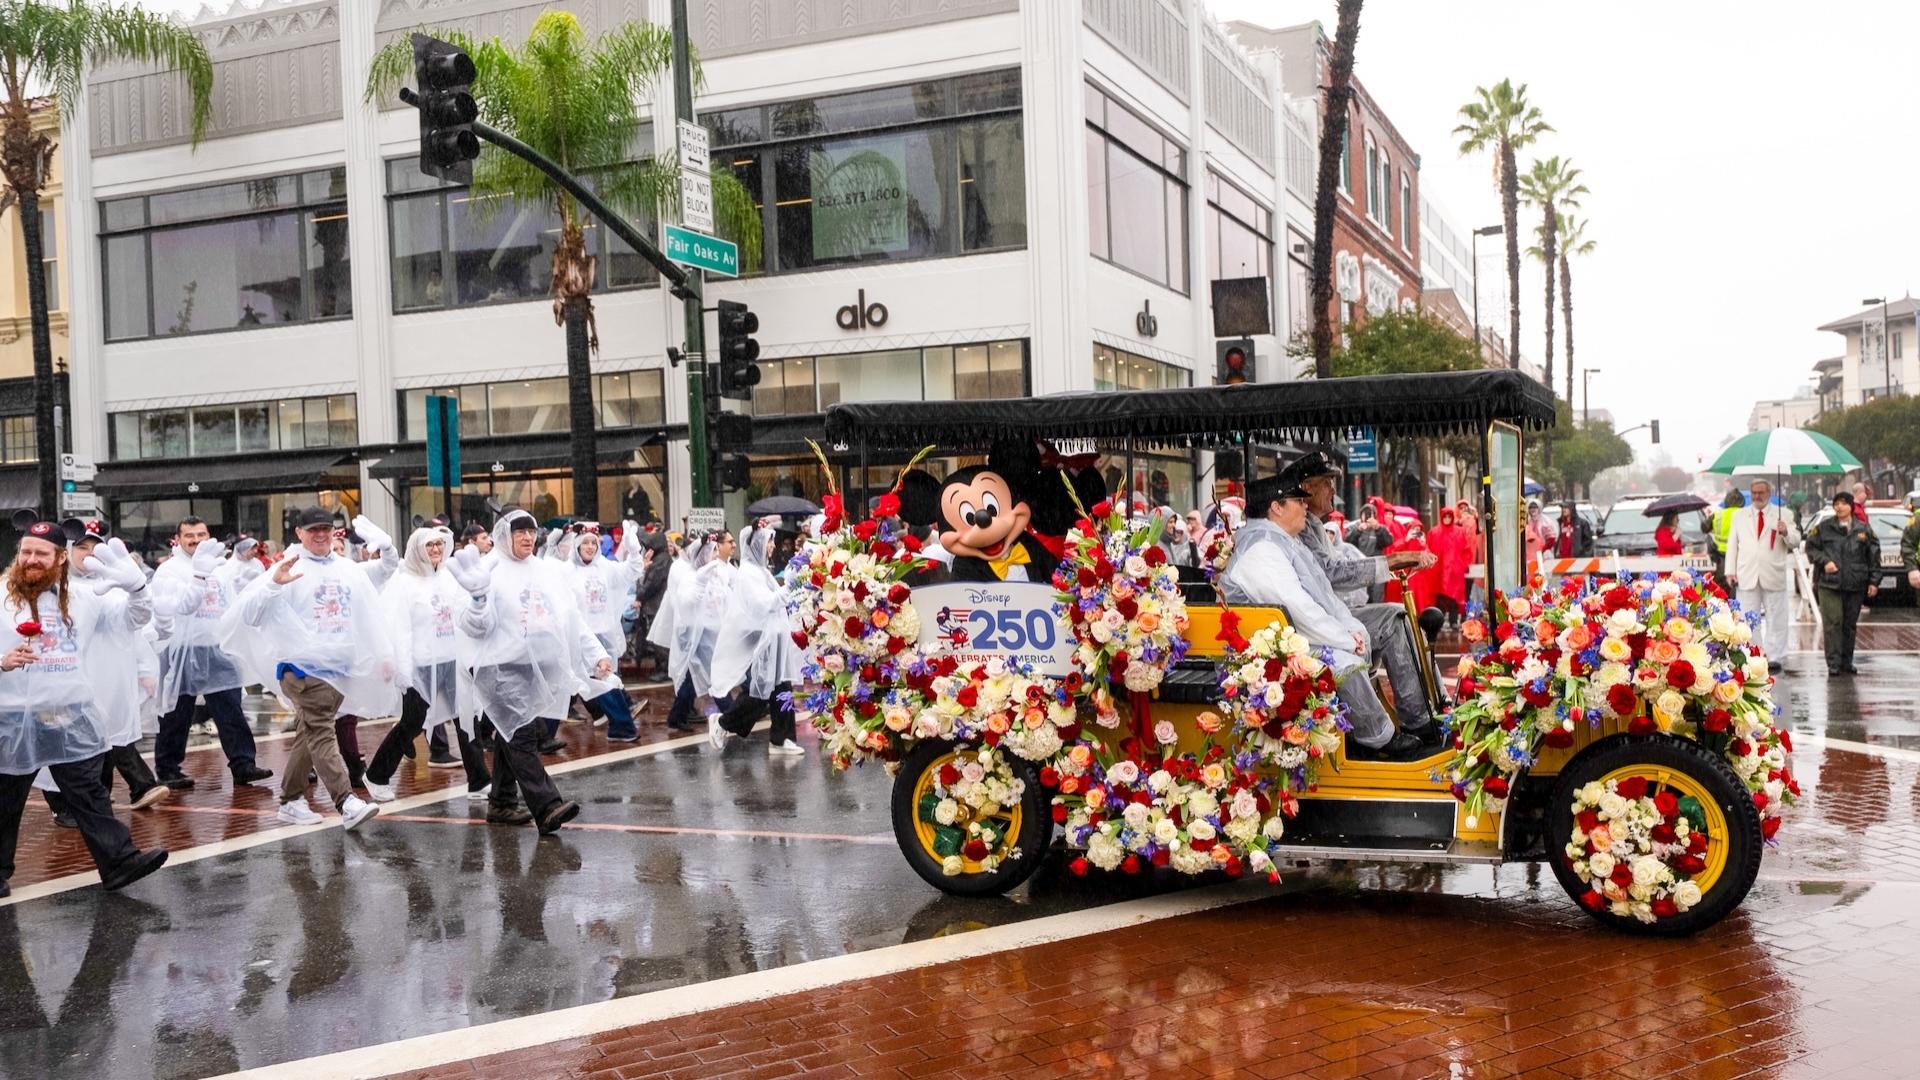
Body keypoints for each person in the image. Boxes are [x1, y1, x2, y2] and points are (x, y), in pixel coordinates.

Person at [0, 518, 169, 898]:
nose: (31, 559)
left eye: (41, 554)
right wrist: (2, 660)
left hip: (68, 714)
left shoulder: (85, 598)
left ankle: (119, 863)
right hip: (11, 718)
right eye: (26, 551)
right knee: (5, 802)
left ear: (60, 558)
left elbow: (133, 621)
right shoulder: (0, 597)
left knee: (89, 795)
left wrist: (138, 589)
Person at [1219, 477, 1425, 762]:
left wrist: (1350, 628)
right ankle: (1377, 739)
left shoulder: (1286, 541)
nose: (1306, 507)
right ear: (1276, 508)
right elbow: (1298, 608)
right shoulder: (1261, 548)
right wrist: (1342, 638)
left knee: (1374, 630)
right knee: (1345, 664)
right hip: (1272, 649)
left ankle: (1416, 718)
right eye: (1298, 501)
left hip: (1295, 636)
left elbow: (1325, 596)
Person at [223, 506, 395, 829]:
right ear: (299, 534)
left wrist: (386, 547)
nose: (320, 535)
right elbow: (249, 615)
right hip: (302, 669)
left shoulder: (346, 568)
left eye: (326, 529)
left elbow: (384, 573)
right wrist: (274, 585)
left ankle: (290, 799)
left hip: (337, 671)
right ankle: (346, 801)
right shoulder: (288, 566)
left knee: (310, 732)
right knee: (321, 732)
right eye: (312, 530)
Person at [446, 510, 602, 833]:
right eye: (519, 532)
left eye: (531, 531)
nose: (527, 538)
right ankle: (547, 806)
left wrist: (597, 654)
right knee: (521, 734)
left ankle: (501, 803)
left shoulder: (543, 571)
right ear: (504, 534)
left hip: (532, 667)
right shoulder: (488, 569)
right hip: (497, 668)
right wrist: (477, 598)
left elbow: (569, 616)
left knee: (509, 732)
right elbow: (475, 626)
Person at [1281, 453, 1442, 742]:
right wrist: (1394, 560)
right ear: (1307, 489)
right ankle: (1418, 720)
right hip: (1310, 625)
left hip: (1329, 613)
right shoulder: (1301, 527)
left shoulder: (1314, 525)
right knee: (1393, 618)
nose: (1333, 491)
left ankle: (1431, 707)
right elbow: (1335, 573)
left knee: (1397, 615)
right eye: (1327, 483)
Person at [33, 521, 170, 825]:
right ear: (66, 552)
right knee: (54, 746)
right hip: (57, 685)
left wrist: (138, 591)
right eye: (81, 547)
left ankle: (96, 810)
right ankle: (62, 806)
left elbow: (133, 623)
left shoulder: (107, 591)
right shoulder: (46, 590)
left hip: (103, 685)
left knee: (102, 748)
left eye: (96, 549)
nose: (89, 554)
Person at [360, 525, 492, 804]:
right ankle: (376, 776)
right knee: (411, 723)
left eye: (439, 545)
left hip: (452, 661)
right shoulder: (405, 582)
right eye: (429, 545)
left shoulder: (450, 579)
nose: (435, 550)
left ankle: (479, 781)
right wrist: (403, 670)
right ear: (417, 549)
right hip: (420, 665)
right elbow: (401, 630)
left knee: (466, 719)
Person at [148, 518, 271, 791]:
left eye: (201, 534)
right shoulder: (169, 570)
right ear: (177, 539)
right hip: (182, 650)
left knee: (230, 708)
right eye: (189, 535)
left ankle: (243, 764)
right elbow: (182, 605)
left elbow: (231, 602)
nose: (196, 539)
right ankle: (168, 768)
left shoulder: (222, 568)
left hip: (218, 648)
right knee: (176, 713)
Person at [708, 521, 805, 755]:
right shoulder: (749, 574)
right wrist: (790, 585)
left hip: (774, 639)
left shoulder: (761, 571)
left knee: (781, 688)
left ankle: (781, 739)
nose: (772, 546)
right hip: (761, 641)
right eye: (769, 541)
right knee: (758, 694)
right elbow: (765, 605)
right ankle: (723, 723)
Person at [559, 520, 650, 743]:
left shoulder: (605, 567)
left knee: (603, 679)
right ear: (577, 545)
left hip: (604, 636)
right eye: (585, 543)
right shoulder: (566, 572)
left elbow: (633, 571)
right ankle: (619, 723)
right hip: (579, 638)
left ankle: (619, 725)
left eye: (593, 542)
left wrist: (634, 549)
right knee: (575, 683)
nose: (590, 547)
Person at [649, 530, 735, 733]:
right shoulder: (690, 577)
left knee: (692, 680)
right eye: (712, 552)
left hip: (713, 636)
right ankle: (732, 717)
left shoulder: (716, 576)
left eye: (715, 552)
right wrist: (699, 584)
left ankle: (677, 715)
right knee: (714, 678)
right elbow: (686, 603)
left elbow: (727, 603)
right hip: (696, 638)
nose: (715, 556)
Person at [1725, 478, 1801, 673]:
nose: (1757, 496)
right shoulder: (1740, 516)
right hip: (1746, 573)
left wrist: (1785, 532)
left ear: (1769, 493)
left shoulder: (1783, 514)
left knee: (1777, 617)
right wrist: (1730, 571)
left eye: (1761, 493)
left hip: (1772, 573)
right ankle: (1753, 654)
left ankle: (1775, 655)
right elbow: (1733, 544)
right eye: (1754, 493)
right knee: (1748, 617)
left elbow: (1795, 541)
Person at [1805, 492, 1880, 678]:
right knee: (1833, 623)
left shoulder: (1864, 529)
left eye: (1844, 504)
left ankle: (1847, 661)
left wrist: (1874, 581)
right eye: (1837, 503)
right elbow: (1811, 547)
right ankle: (1834, 663)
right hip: (1829, 585)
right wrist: (1824, 561)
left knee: (1849, 624)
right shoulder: (1823, 528)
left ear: (1851, 507)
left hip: (1855, 584)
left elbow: (1874, 557)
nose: (1840, 507)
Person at [1426, 508, 1472, 624]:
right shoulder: (1434, 532)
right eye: (1445, 517)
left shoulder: (1458, 532)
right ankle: (1439, 621)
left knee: (1454, 597)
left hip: (1454, 571)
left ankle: (1453, 620)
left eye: (1449, 517)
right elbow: (1428, 549)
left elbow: (1466, 550)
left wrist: (1465, 564)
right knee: (1440, 598)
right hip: (1439, 570)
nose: (1447, 519)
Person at [1711, 490, 1744, 579]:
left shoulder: (1718, 514)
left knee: (1722, 588)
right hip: (1740, 556)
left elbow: (1704, 527)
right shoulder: (1745, 514)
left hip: (1721, 557)